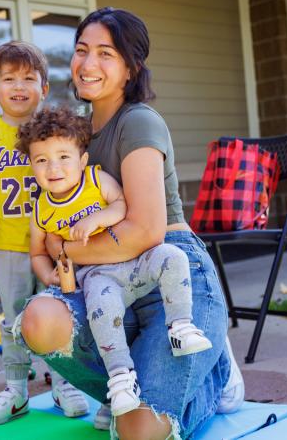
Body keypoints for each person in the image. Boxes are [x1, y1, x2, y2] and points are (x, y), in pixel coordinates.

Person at [14, 8, 245, 440]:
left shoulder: (137, 121)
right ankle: (128, 386)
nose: (87, 64)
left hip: (167, 276)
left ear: (130, 67)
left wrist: (63, 251)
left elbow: (145, 231)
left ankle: (214, 373)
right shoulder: (73, 137)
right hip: (104, 281)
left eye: (106, 53)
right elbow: (44, 199)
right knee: (39, 321)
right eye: (82, 50)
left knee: (137, 434)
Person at [16, 106, 213, 417]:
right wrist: (49, 275)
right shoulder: (41, 210)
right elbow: (38, 252)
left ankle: (181, 325)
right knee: (101, 313)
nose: (53, 167)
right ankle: (120, 380)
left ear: (82, 160)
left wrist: (99, 218)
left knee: (171, 257)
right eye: (42, 160)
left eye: (63, 157)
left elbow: (121, 204)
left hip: (133, 263)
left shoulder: (95, 179)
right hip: (97, 276)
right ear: (32, 166)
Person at [0, 40, 89, 426]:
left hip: (53, 244)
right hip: (9, 246)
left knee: (61, 313)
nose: (19, 86)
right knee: (14, 318)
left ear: (44, 88)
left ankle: (65, 383)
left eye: (29, 78)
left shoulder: (52, 132)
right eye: (9, 79)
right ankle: (16, 389)